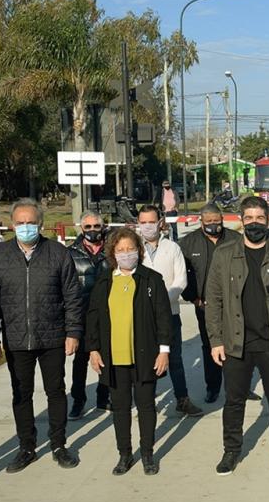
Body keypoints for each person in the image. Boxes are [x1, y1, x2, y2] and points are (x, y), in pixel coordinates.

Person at [0, 198, 84, 473]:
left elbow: (72, 296)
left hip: (52, 336)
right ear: (11, 225)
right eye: (20, 223)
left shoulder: (57, 253)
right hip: (16, 339)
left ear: (40, 224)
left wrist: (73, 332)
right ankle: (26, 447)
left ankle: (59, 444)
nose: (25, 227)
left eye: (31, 222)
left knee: (56, 391)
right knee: (21, 394)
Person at [206, 196, 269, 476]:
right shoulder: (224, 255)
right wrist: (215, 339)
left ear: (268, 221)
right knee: (234, 400)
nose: (254, 224)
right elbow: (213, 300)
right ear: (241, 220)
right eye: (248, 218)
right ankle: (231, 451)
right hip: (236, 342)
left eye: (259, 218)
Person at [87, 227, 172, 476]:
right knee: (120, 407)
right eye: (121, 250)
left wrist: (163, 351)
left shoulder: (151, 280)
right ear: (113, 252)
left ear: (139, 250)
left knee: (146, 406)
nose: (126, 254)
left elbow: (163, 318)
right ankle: (125, 454)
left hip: (145, 356)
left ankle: (147, 453)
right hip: (114, 358)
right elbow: (93, 318)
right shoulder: (104, 282)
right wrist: (93, 349)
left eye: (131, 249)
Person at [180, 203, 254, 404]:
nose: (214, 225)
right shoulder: (188, 243)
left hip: (236, 304)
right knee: (210, 345)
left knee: (240, 344)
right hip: (204, 305)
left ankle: (242, 387)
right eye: (209, 222)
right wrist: (193, 298)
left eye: (217, 221)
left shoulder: (236, 239)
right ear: (201, 221)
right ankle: (212, 387)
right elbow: (181, 275)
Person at [137, 205, 202, 416]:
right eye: (143, 222)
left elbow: (181, 279)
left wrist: (163, 302)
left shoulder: (172, 248)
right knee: (146, 359)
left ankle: (182, 399)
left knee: (175, 359)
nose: (147, 226)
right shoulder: (133, 249)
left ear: (160, 222)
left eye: (151, 221)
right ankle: (147, 402)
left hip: (170, 314)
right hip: (142, 317)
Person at [67, 210, 110, 419]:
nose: (93, 231)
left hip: (108, 314)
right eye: (88, 227)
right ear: (80, 228)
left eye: (96, 227)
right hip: (81, 314)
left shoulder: (112, 249)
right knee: (80, 361)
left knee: (106, 357)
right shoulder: (70, 253)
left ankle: (104, 396)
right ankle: (78, 400)